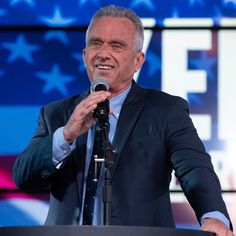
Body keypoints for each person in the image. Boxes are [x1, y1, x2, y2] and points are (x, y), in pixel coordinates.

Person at [13, 5, 234, 235]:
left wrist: (214, 216)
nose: (103, 53)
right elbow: (23, 177)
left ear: (138, 61)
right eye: (96, 43)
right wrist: (66, 134)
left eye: (116, 45)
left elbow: (194, 169)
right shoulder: (55, 113)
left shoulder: (166, 111)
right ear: (85, 55)